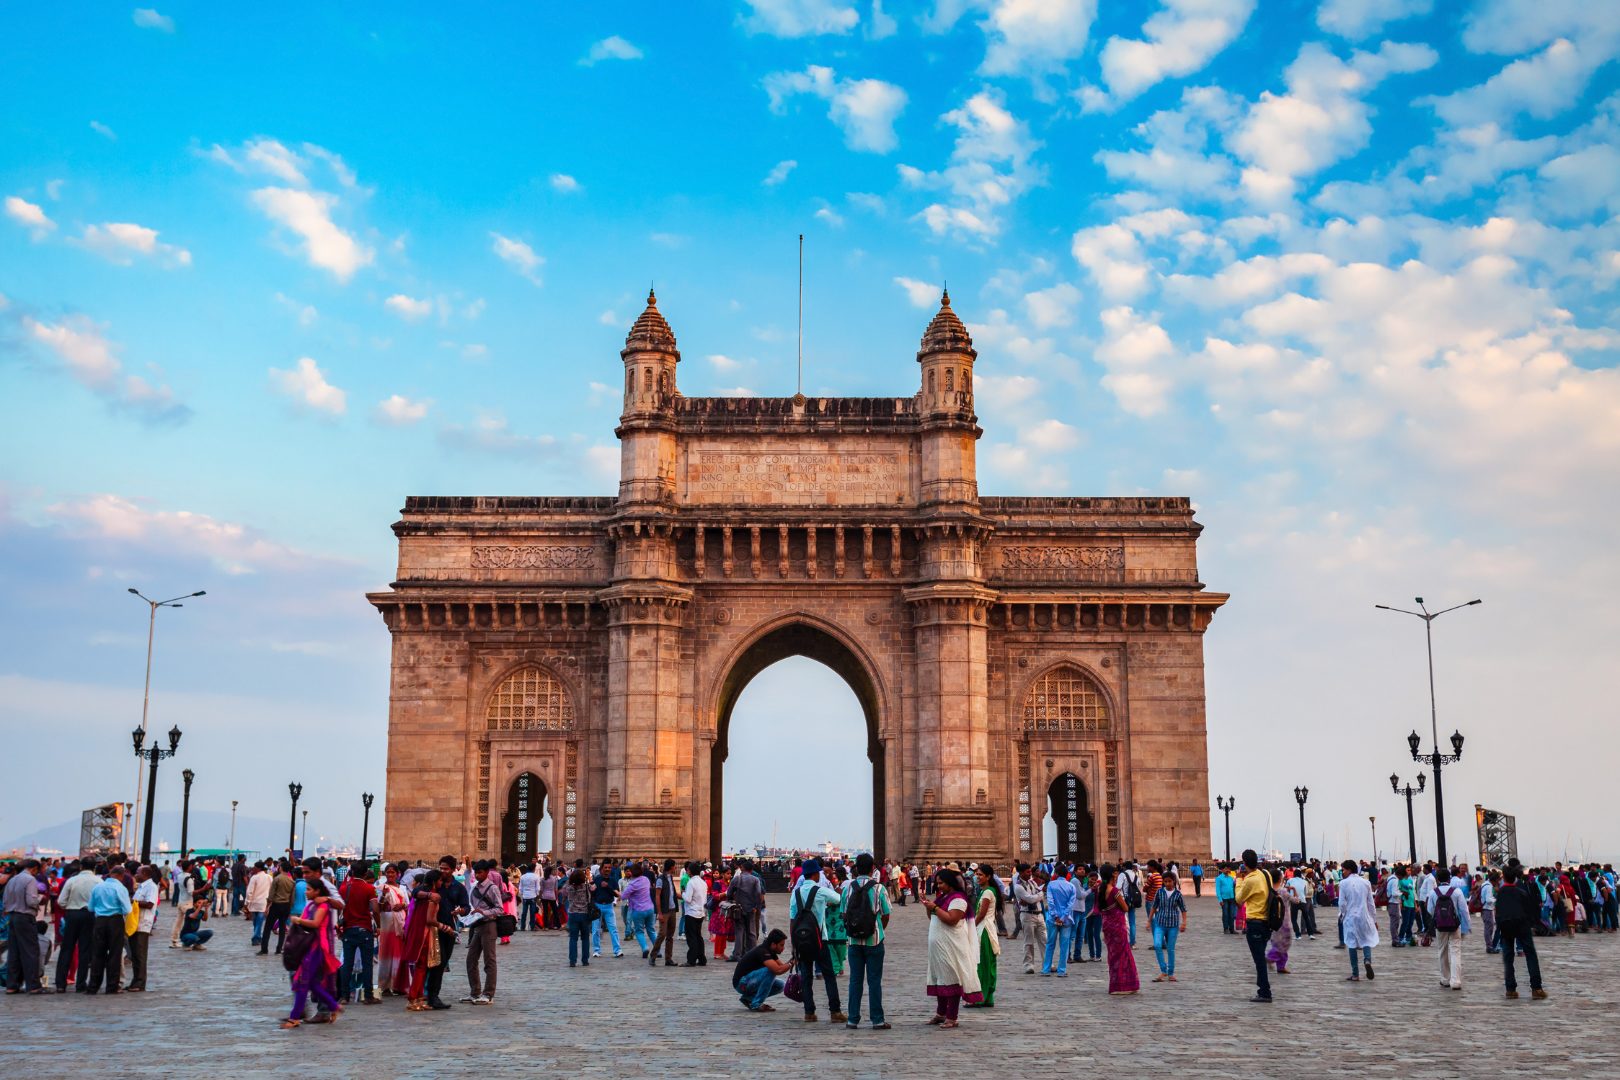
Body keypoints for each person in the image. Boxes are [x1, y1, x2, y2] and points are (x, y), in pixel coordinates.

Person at [923, 867, 982, 1028]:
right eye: (937, 883)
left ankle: (952, 1017)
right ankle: (941, 1013)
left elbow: (952, 919)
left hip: (951, 946)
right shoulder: (943, 897)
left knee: (951, 979)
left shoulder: (958, 899)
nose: (938, 886)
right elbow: (933, 916)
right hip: (939, 947)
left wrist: (934, 908)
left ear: (950, 883)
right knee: (941, 979)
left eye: (941, 883)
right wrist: (929, 907)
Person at [787, 858, 844, 1022]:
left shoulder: (795, 893)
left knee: (806, 976)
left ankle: (809, 1012)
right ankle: (835, 1012)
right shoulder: (820, 891)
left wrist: (794, 943)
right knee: (828, 975)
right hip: (820, 939)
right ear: (814, 874)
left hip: (802, 940)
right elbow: (838, 899)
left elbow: (792, 919)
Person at [282, 874, 342, 1028]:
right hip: (308, 946)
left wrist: (298, 920)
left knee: (303, 981)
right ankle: (333, 1006)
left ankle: (294, 1017)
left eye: (308, 889)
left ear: (317, 891)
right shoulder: (310, 905)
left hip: (318, 947)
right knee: (311, 983)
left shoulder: (322, 906)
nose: (305, 892)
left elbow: (315, 923)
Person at [842, 852, 892, 1030]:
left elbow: (843, 914)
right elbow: (886, 914)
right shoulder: (879, 889)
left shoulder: (847, 888)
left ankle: (852, 1019)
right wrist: (878, 929)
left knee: (855, 981)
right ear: (873, 869)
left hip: (854, 942)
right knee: (874, 981)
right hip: (874, 941)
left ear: (856, 869)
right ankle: (877, 1019)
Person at [1495, 863, 1547, 1000]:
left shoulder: (1500, 893)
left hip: (1506, 926)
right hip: (1522, 925)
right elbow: (1530, 912)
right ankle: (1536, 988)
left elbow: (1498, 913)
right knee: (1531, 955)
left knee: (1508, 958)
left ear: (1504, 878)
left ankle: (1510, 989)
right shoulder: (1522, 892)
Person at [394, 869, 440, 1009]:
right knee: (420, 966)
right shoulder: (431, 897)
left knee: (422, 967)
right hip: (424, 934)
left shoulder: (422, 896)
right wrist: (445, 927)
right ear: (434, 882)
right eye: (439, 880)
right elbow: (429, 919)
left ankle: (419, 998)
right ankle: (413, 998)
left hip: (420, 932)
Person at [336, 862, 379, 1005]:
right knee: (367, 964)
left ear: (351, 872)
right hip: (364, 929)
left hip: (349, 929)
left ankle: (344, 996)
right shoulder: (369, 888)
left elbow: (339, 907)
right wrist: (378, 926)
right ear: (366, 873)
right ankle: (368, 995)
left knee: (347, 964)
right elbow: (375, 908)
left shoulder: (343, 888)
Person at [53, 860, 98, 994]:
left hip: (72, 915)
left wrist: (69, 908)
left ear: (81, 867)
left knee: (67, 948)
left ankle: (61, 984)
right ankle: (80, 984)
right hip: (89, 915)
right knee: (85, 950)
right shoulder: (98, 882)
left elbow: (61, 901)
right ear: (94, 867)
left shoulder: (72, 881)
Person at [84, 868, 131, 994]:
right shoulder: (120, 888)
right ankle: (111, 986)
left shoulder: (98, 887)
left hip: (100, 921)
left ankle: (93, 986)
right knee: (115, 954)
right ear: (121, 876)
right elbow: (127, 909)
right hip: (115, 921)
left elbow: (90, 908)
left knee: (98, 954)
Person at [1235, 850, 1272, 1002]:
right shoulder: (1265, 874)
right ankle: (1263, 988)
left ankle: (1264, 992)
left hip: (1255, 922)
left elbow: (1239, 899)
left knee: (1259, 960)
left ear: (1244, 863)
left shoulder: (1250, 880)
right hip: (1267, 922)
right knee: (1260, 956)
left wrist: (1238, 881)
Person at [4, 860, 45, 995]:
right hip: (25, 916)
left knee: (14, 952)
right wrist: (40, 898)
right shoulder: (30, 880)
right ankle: (33, 985)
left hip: (13, 916)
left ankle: (12, 985)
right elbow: (31, 901)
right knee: (31, 951)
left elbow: (5, 900)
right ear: (34, 869)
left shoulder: (12, 880)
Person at [1098, 861, 1139, 995]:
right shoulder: (1114, 891)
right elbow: (1125, 907)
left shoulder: (1100, 889)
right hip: (1117, 926)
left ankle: (1114, 984)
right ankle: (1124, 985)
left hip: (1107, 925)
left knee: (1113, 955)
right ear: (1112, 875)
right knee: (1123, 954)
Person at [733, 929, 792, 1011]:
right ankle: (756, 1004)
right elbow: (777, 970)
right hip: (741, 983)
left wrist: (793, 959)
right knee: (770, 971)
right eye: (781, 945)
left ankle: (748, 999)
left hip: (750, 980)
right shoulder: (763, 951)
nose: (783, 948)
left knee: (781, 985)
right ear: (773, 944)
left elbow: (782, 966)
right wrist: (791, 963)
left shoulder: (770, 950)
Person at [1339, 860, 1379, 982]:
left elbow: (1342, 903)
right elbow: (1371, 904)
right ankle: (1367, 959)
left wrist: (1342, 915)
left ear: (1349, 869)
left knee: (1351, 943)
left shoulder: (1343, 883)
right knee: (1366, 939)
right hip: (1364, 916)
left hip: (1351, 916)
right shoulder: (1366, 882)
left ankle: (1355, 974)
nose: (1343, 872)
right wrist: (1374, 919)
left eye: (1344, 870)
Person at [1430, 866, 1468, 990]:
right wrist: (1467, 925)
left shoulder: (1433, 892)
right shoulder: (1456, 892)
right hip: (1455, 925)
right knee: (1455, 951)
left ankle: (1445, 979)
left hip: (1440, 926)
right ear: (1449, 878)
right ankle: (1456, 981)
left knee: (1442, 951)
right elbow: (1464, 910)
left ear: (1438, 879)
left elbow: (1430, 910)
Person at [968, 863, 1000, 1007]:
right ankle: (987, 997)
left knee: (982, 965)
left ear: (988, 877)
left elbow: (981, 914)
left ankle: (980, 997)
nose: (978, 877)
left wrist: (970, 927)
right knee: (986, 964)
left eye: (981, 875)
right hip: (986, 928)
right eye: (977, 874)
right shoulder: (985, 890)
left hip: (984, 930)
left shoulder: (987, 892)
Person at [375, 864, 408, 995]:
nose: (390, 875)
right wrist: (383, 896)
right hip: (386, 922)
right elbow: (379, 907)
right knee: (386, 953)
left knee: (399, 953)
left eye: (392, 872)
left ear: (397, 874)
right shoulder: (381, 887)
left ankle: (398, 985)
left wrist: (402, 905)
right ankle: (384, 986)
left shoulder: (403, 888)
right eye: (388, 872)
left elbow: (408, 904)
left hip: (399, 923)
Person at [1150, 871, 1187, 982]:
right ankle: (1163, 970)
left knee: (1170, 949)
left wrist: (1184, 922)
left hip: (1173, 925)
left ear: (1174, 881)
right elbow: (1154, 906)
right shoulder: (1159, 892)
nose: (1167, 884)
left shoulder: (1178, 894)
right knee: (1157, 945)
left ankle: (1170, 973)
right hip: (1160, 923)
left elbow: (1183, 909)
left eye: (1169, 881)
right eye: (1165, 881)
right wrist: (1149, 920)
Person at [127, 865, 159, 992]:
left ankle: (140, 982)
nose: (135, 875)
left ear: (145, 873)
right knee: (134, 954)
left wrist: (132, 902)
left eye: (138, 872)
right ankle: (135, 981)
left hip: (143, 923)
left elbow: (150, 904)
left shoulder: (151, 887)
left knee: (140, 954)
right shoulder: (141, 886)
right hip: (135, 923)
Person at [1041, 865, 1075, 976]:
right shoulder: (1071, 886)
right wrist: (1063, 917)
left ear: (1055, 873)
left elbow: (1050, 902)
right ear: (1067, 874)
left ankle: (1046, 969)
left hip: (1052, 919)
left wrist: (1055, 916)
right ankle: (1062, 970)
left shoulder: (1051, 885)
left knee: (1050, 944)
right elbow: (1070, 905)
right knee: (1064, 946)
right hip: (1066, 920)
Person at [727, 859, 764, 961]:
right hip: (751, 909)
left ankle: (737, 954)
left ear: (742, 868)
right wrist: (756, 907)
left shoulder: (736, 879)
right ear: (751, 870)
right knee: (751, 932)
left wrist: (733, 899)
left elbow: (729, 893)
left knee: (739, 931)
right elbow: (758, 894)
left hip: (738, 908)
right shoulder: (755, 880)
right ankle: (752, 954)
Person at [1013, 864, 1046, 974]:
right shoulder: (1018, 886)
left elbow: (1032, 898)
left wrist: (1034, 897)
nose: (1030, 873)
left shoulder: (1033, 882)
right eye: (1027, 872)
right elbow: (1030, 899)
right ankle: (1028, 964)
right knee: (1029, 941)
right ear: (1021, 873)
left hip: (1039, 914)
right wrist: (1039, 895)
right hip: (1027, 915)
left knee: (1044, 940)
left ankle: (1047, 963)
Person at [621, 862, 657, 958]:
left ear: (632, 873)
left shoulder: (632, 884)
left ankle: (645, 947)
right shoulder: (646, 880)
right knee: (651, 930)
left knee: (639, 931)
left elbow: (623, 896)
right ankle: (658, 950)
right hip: (649, 908)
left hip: (638, 910)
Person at [260, 860, 296, 956]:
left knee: (268, 927)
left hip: (276, 905)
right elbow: (292, 897)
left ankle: (264, 949)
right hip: (286, 906)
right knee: (282, 927)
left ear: (281, 868)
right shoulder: (292, 881)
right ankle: (279, 948)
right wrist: (290, 908)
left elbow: (271, 895)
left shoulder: (277, 879)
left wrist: (267, 906)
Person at [650, 859, 680, 967]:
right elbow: (657, 896)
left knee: (670, 936)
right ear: (671, 867)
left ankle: (668, 958)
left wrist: (684, 897)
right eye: (674, 866)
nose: (675, 868)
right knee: (662, 934)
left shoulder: (670, 878)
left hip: (672, 910)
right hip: (664, 911)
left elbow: (672, 893)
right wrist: (659, 913)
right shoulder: (660, 879)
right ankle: (653, 955)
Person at [681, 860, 710, 968]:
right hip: (701, 912)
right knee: (698, 936)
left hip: (691, 912)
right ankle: (702, 958)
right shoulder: (703, 882)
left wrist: (683, 893)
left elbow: (688, 899)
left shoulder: (691, 882)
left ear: (690, 871)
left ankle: (691, 959)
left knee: (691, 937)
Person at [1266, 877, 1293, 975]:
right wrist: (1294, 891)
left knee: (1276, 942)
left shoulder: (1268, 891)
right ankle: (1271, 957)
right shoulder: (1283, 891)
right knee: (1285, 944)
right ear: (1280, 879)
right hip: (1284, 921)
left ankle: (1280, 966)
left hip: (1272, 921)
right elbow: (1295, 900)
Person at [245, 862, 271, 946]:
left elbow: (249, 891)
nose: (253, 868)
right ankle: (258, 937)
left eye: (254, 867)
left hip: (254, 902)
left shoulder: (254, 878)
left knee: (256, 921)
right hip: (264, 903)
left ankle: (256, 937)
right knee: (259, 921)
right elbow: (271, 890)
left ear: (259, 868)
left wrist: (247, 902)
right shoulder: (269, 877)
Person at [1215, 863, 1237, 934]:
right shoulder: (1219, 878)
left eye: (1229, 868)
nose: (1228, 870)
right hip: (1224, 899)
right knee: (1225, 914)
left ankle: (1232, 929)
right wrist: (1220, 899)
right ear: (1222, 869)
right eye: (1226, 868)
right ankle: (1226, 928)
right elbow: (1218, 890)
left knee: (1232, 914)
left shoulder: (1231, 878)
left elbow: (1233, 888)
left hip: (1232, 898)